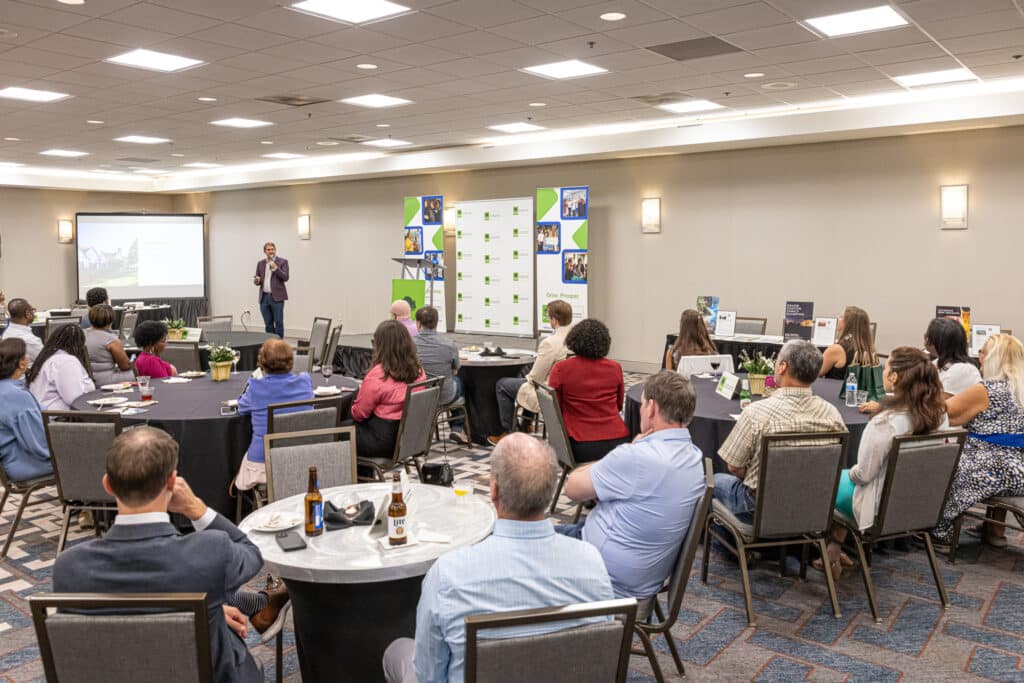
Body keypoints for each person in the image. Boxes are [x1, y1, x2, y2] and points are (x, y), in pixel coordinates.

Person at [53, 427, 286, 683]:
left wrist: (214, 612)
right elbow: (252, 553)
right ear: (173, 483)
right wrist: (195, 508)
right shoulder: (209, 552)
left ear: (107, 484)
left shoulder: (68, 567)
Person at [381, 434, 614, 683]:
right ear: (549, 495)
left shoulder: (448, 575)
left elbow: (429, 675)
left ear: (493, 491)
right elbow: (601, 654)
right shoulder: (592, 562)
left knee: (397, 652)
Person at [558, 371, 705, 600]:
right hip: (644, 575)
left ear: (652, 408)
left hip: (602, 577)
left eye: (643, 403)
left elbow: (572, 488)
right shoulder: (694, 457)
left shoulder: (637, 458)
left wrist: (627, 451)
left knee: (513, 541)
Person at [818, 348, 948, 575]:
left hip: (880, 507)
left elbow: (863, 476)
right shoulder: (939, 416)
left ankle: (811, 550)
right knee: (846, 483)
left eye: (885, 368)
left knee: (825, 481)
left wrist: (847, 473)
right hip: (922, 503)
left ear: (894, 377)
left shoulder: (886, 422)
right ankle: (833, 551)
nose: (883, 371)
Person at [716, 340, 847, 523]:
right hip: (813, 506)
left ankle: (725, 549)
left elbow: (734, 466)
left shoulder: (756, 413)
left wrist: (764, 479)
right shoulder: (833, 415)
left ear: (783, 367)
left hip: (760, 509)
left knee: (713, 481)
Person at [933, 334, 1024, 548]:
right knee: (996, 457)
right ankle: (995, 531)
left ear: (994, 358)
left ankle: (940, 532)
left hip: (991, 468)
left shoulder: (986, 391)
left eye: (982, 352)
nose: (978, 356)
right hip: (1018, 468)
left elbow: (945, 414)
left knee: (940, 462)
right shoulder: (1019, 389)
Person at [234, 339, 315, 491]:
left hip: (265, 464)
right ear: (291, 361)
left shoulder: (255, 387)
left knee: (239, 464)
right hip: (303, 458)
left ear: (262, 363)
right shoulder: (305, 381)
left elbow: (241, 407)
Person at [489, 300, 572, 444]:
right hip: (567, 390)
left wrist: (526, 377)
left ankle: (509, 434)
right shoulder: (575, 339)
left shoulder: (550, 343)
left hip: (548, 392)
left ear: (554, 320)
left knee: (503, 384)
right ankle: (527, 425)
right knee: (524, 378)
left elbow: (536, 377)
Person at [547, 318, 629, 463]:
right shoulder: (615, 367)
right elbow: (619, 405)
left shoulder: (561, 369)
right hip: (617, 443)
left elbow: (555, 410)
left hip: (579, 444)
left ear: (574, 340)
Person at [351, 320, 426, 460]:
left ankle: (355, 478)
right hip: (409, 438)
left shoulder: (378, 375)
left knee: (335, 430)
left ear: (380, 346)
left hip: (382, 442)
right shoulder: (419, 370)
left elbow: (359, 414)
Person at [413, 306, 468, 445]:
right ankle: (457, 428)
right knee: (459, 381)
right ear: (437, 323)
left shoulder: (409, 344)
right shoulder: (449, 345)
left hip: (418, 394)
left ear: (418, 323)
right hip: (445, 395)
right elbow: (455, 371)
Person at [0, 338, 52, 481]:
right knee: (90, 452)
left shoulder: (7, 390)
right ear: (22, 363)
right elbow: (39, 443)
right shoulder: (16, 395)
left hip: (11, 462)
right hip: (27, 463)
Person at [25, 324, 95, 411]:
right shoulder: (66, 361)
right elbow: (75, 400)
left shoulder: (49, 355)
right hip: (58, 417)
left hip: (44, 413)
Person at [926, 317, 982, 396]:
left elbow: (940, 404)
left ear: (939, 341)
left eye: (928, 335)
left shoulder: (962, 370)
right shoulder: (937, 362)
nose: (926, 338)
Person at [820, 306, 877, 379]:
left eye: (841, 317)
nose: (839, 319)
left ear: (847, 323)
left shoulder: (837, 349)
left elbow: (816, 373)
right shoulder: (870, 349)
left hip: (834, 389)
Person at [85, 304, 133, 385]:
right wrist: (133, 362)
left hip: (86, 378)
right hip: (106, 379)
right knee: (138, 373)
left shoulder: (82, 334)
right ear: (111, 319)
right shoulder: (112, 340)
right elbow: (124, 366)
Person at [253, 242, 289, 338]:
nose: (271, 251)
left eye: (272, 249)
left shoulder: (283, 262)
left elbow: (285, 277)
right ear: (265, 251)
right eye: (268, 249)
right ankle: (270, 346)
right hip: (264, 298)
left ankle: (279, 346)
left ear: (275, 250)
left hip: (277, 298)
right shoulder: (260, 263)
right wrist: (257, 281)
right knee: (268, 324)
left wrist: (275, 268)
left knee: (278, 323)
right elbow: (258, 279)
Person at [2, 298, 42, 363]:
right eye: (32, 310)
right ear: (27, 313)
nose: (34, 312)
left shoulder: (7, 331)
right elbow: (46, 362)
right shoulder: (31, 340)